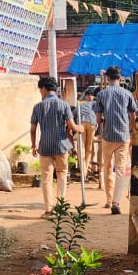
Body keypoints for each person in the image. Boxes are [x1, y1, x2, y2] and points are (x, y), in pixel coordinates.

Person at [30, 76, 78, 216]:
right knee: (62, 174)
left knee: (46, 178)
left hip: (45, 146)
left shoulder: (38, 107)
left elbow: (33, 129)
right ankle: (61, 207)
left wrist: (33, 145)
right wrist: (80, 128)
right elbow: (72, 126)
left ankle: (48, 209)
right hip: (61, 146)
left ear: (44, 89)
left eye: (40, 90)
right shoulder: (64, 105)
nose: (41, 92)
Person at [95, 66, 138, 214]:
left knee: (107, 167)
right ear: (120, 79)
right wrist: (130, 128)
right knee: (120, 170)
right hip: (123, 136)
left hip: (107, 136)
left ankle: (108, 200)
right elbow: (133, 115)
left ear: (107, 79)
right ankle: (116, 202)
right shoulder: (127, 94)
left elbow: (98, 118)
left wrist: (103, 120)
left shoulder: (101, 94)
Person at [78, 89, 98, 174]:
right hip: (92, 123)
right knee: (89, 148)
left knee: (82, 147)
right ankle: (85, 170)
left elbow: (74, 114)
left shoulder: (80, 104)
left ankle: (84, 170)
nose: (90, 96)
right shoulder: (96, 104)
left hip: (82, 123)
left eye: (91, 94)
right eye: (89, 94)